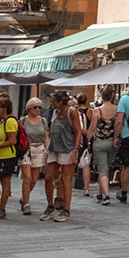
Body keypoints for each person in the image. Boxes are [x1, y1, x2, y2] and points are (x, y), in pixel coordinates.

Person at [40, 92, 81, 222]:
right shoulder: (55, 113)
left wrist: (75, 150)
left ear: (61, 101)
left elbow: (78, 131)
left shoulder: (72, 112)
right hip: (54, 148)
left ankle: (66, 209)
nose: (51, 104)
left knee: (65, 178)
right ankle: (50, 206)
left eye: (54, 102)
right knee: (48, 177)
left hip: (67, 148)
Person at [15, 99, 48, 215]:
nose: (37, 110)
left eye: (39, 107)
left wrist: (47, 150)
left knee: (34, 179)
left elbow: (46, 137)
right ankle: (27, 204)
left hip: (39, 149)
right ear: (29, 108)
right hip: (26, 149)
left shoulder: (43, 121)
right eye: (35, 107)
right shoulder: (23, 121)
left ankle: (24, 196)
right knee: (27, 178)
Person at [87, 89, 119, 205]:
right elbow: (120, 124)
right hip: (112, 143)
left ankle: (106, 196)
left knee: (102, 169)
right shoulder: (117, 110)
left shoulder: (97, 111)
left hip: (99, 143)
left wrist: (87, 141)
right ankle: (100, 194)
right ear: (112, 96)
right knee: (106, 167)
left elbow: (91, 128)